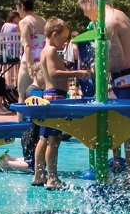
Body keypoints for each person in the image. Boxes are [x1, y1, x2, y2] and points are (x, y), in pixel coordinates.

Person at [77, 0, 130, 192]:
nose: (86, 15)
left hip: (125, 79)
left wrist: (97, 69)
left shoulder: (108, 21)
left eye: (84, 10)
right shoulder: (121, 14)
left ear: (89, 1)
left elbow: (117, 58)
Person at [35, 18, 92, 190]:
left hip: (48, 96)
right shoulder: (52, 50)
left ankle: (38, 175)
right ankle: (52, 178)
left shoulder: (45, 50)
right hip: (55, 98)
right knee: (54, 140)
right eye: (63, 37)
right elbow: (54, 73)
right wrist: (78, 73)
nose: (65, 42)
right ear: (54, 34)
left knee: (43, 138)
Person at [15, 0, 47, 102]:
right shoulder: (42, 20)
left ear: (21, 6)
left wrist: (29, 66)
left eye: (17, 7)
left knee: (22, 96)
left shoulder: (24, 22)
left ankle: (21, 114)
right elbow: (43, 40)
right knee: (41, 97)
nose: (17, 11)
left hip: (30, 61)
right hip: (42, 60)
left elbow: (27, 45)